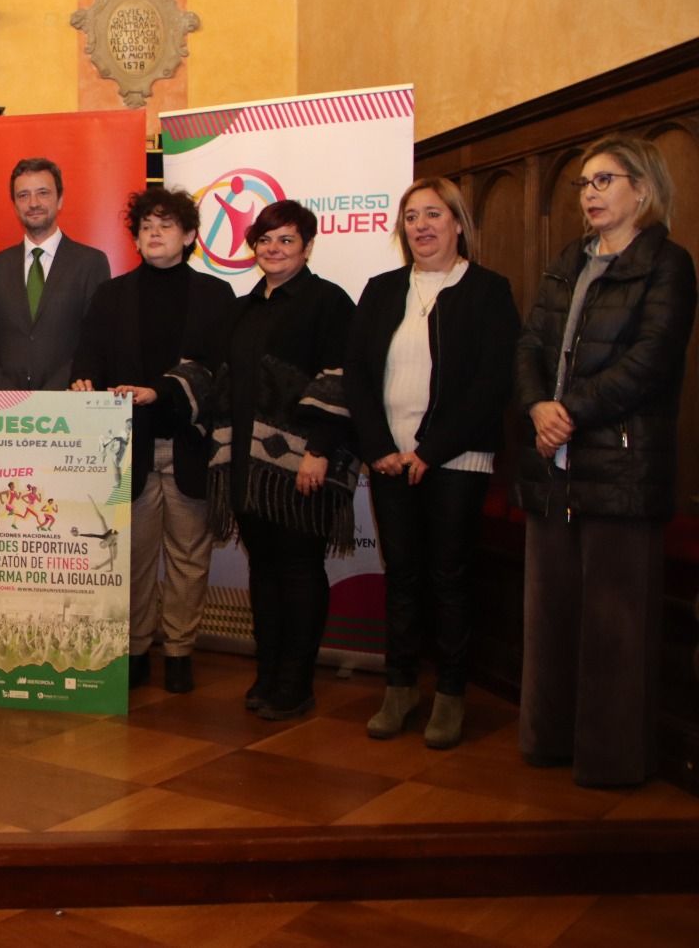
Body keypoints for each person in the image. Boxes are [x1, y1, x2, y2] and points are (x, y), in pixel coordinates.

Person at [515, 135, 696, 787]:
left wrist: (568, 412)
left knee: (616, 626)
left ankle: (610, 762)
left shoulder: (667, 264)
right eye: (583, 183)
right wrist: (537, 406)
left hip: (622, 468)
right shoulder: (570, 259)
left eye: (604, 180)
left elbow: (650, 362)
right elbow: (529, 344)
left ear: (642, 190)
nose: (589, 193)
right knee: (551, 614)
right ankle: (548, 740)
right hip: (553, 465)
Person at [164, 200, 356, 720]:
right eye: (265, 240)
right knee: (264, 570)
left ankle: (296, 683)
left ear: (307, 247)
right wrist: (159, 391)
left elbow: (343, 378)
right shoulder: (242, 309)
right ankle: (268, 674)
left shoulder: (328, 302)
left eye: (286, 240)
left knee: (299, 569)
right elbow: (208, 371)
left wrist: (319, 450)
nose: (274, 249)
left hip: (303, 467)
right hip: (246, 468)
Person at [345, 178, 519, 748]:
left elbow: (491, 384)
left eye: (433, 215)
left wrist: (430, 452)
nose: (421, 226)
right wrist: (378, 448)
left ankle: (450, 694)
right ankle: (399, 688)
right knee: (402, 577)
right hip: (390, 460)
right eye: (411, 216)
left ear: (458, 224)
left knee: (449, 578)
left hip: (457, 459)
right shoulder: (382, 289)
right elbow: (358, 377)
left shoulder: (487, 291)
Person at [72, 187, 236, 692]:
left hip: (191, 446)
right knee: (133, 559)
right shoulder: (112, 295)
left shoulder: (216, 296)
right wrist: (83, 382)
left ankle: (180, 651)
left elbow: (221, 372)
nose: (154, 234)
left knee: (189, 559)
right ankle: (136, 649)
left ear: (189, 236)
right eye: (146, 227)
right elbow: (89, 356)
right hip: (130, 450)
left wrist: (160, 391)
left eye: (166, 226)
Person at [0, 157, 109, 390]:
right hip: (7, 403)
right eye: (23, 195)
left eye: (43, 193)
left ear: (60, 199)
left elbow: (96, 339)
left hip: (67, 399)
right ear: (14, 204)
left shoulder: (90, 262)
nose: (33, 203)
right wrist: (6, 395)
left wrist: (50, 396)